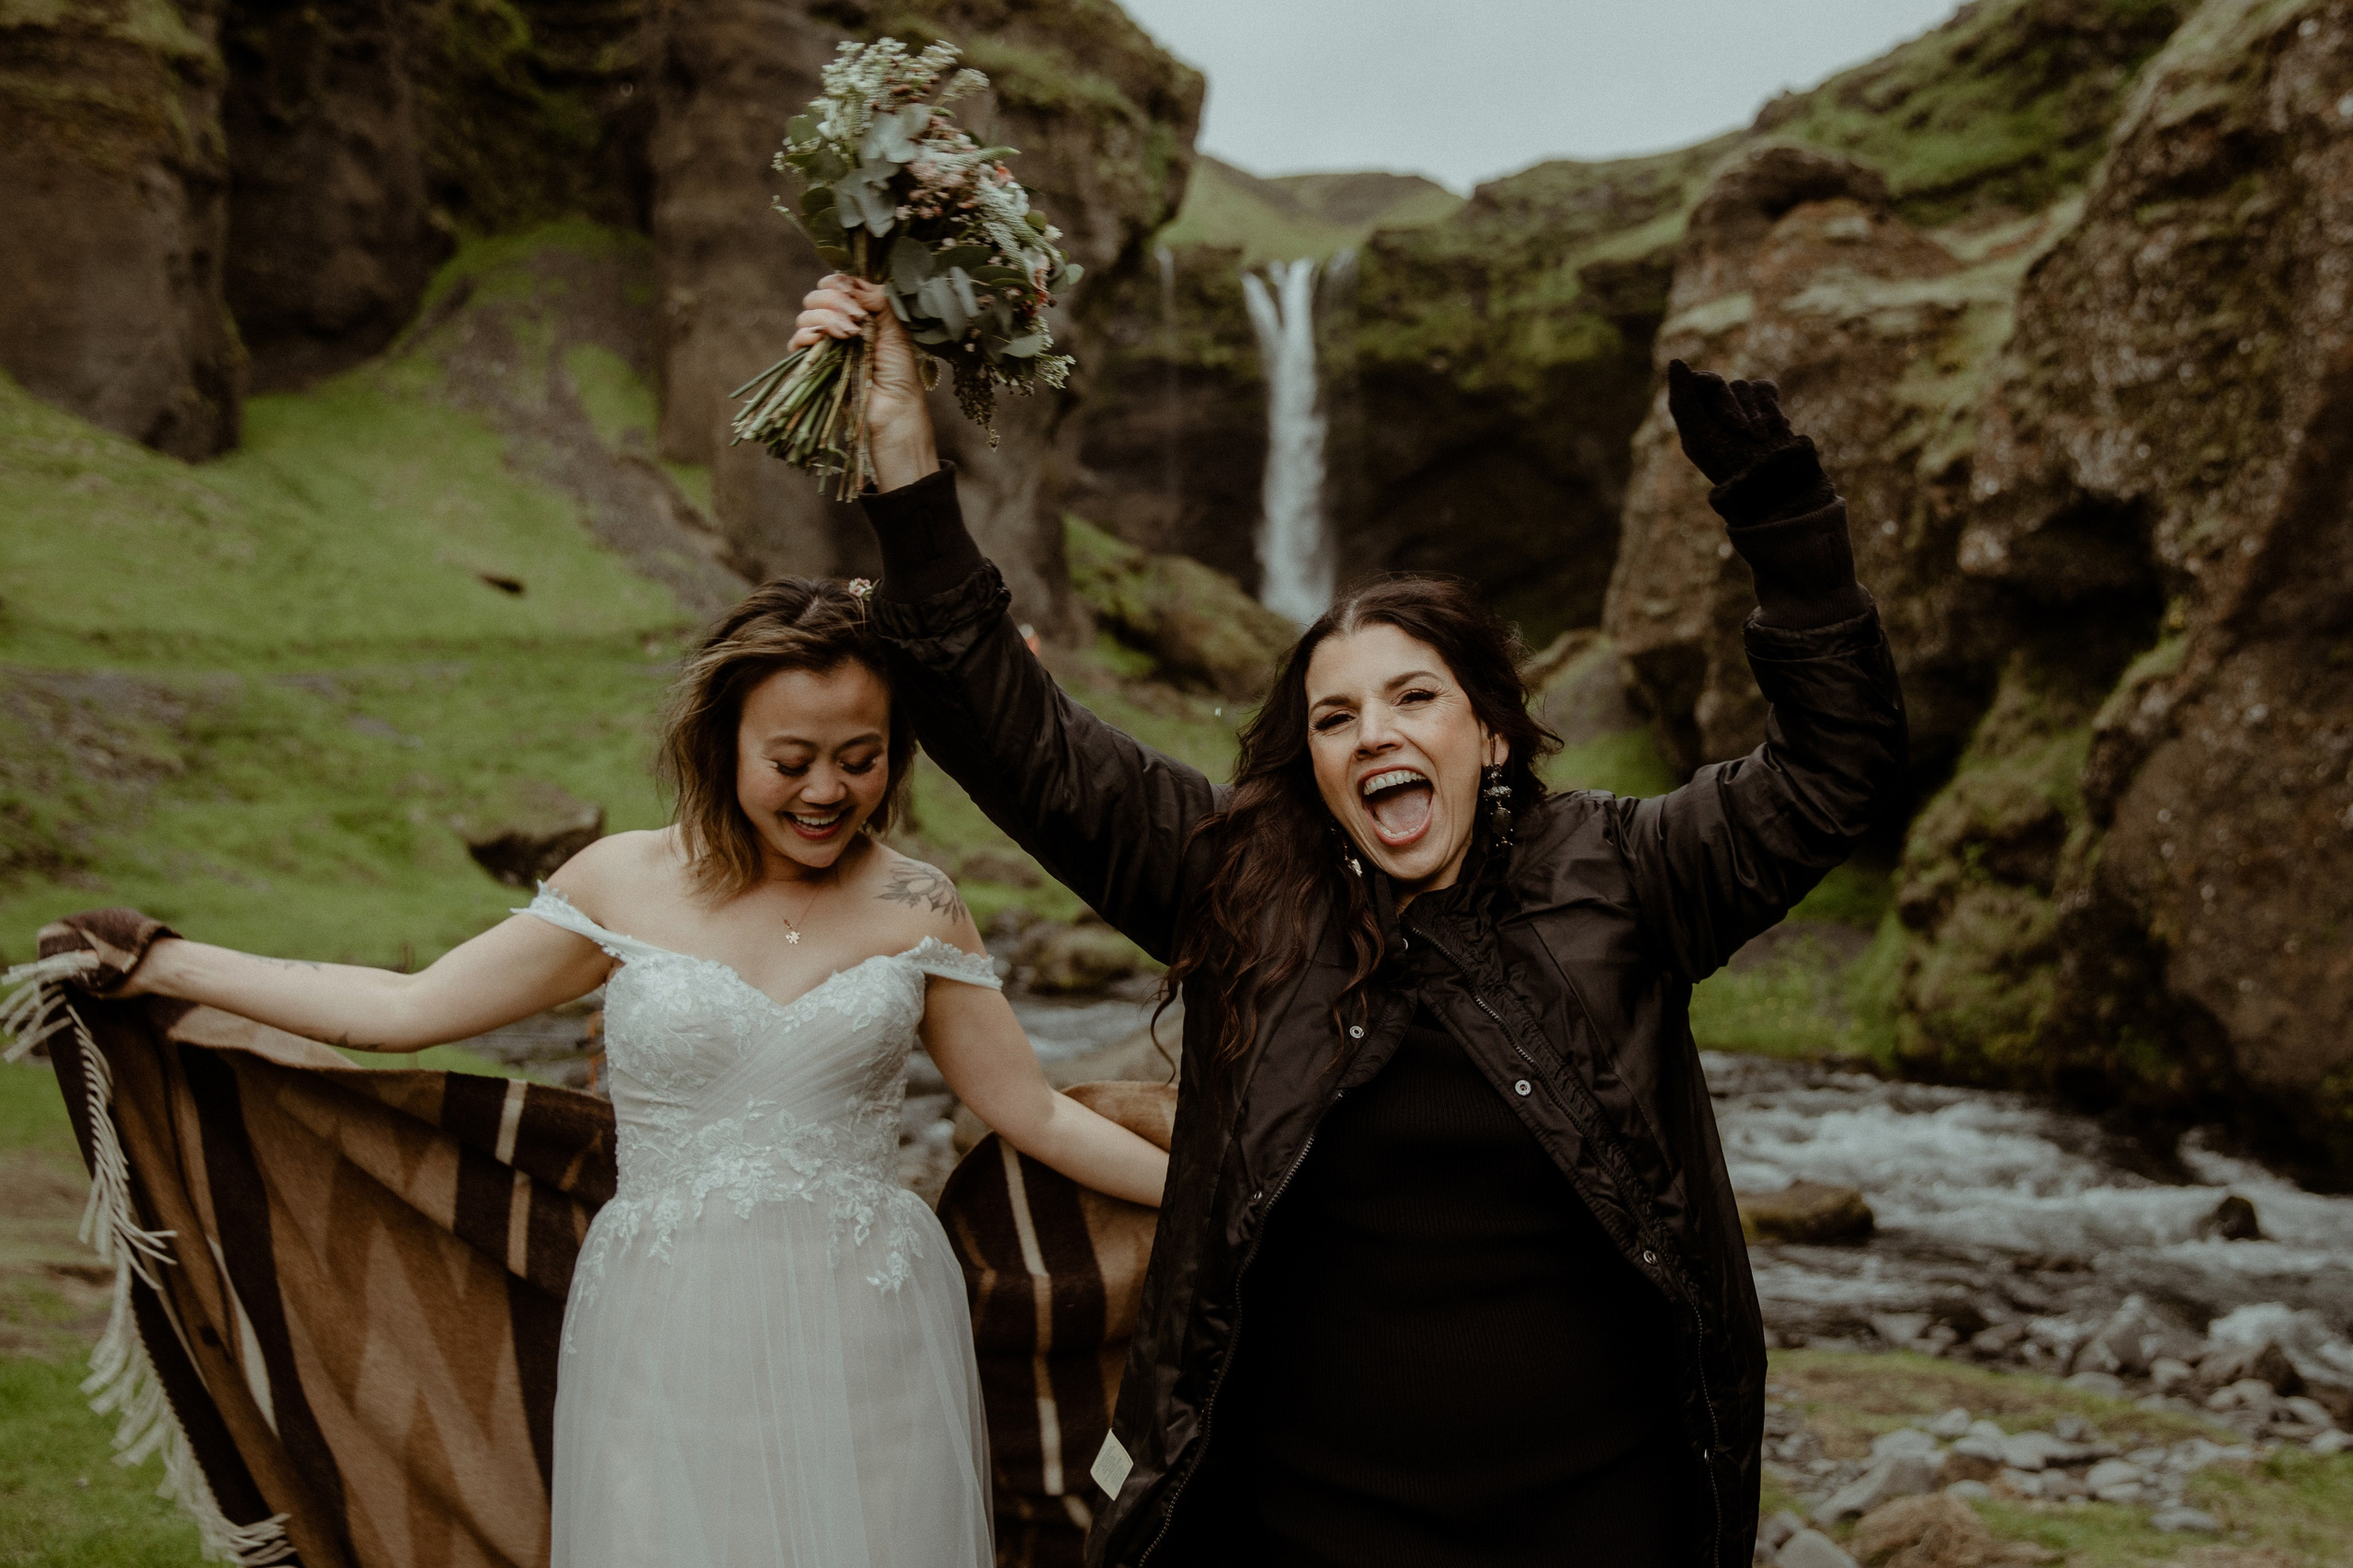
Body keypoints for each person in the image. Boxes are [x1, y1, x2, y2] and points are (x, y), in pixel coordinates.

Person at [791, 276, 1906, 1567]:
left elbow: (1839, 770)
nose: (1373, 731)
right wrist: (900, 451)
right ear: (1314, 762)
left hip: (1605, 1505)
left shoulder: (1628, 868)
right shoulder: (1238, 887)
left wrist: (1788, 525)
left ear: (1487, 731)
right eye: (1335, 716)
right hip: (1314, 1513)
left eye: (1412, 696)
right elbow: (1011, 727)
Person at [107, 576, 1171, 1568]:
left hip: (870, 1320)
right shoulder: (618, 880)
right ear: (724, 741)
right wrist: (166, 958)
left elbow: (1031, 1109)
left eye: (862, 754)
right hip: (667, 1313)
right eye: (791, 757)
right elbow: (404, 1010)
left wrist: (1227, 1198)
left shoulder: (921, 902)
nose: (827, 789)